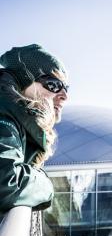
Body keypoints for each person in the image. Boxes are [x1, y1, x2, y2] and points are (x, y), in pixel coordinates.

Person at [0, 44, 68, 212]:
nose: (64, 95)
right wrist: (46, 186)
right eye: (53, 84)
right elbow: (6, 183)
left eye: (66, 88)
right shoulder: (4, 116)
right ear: (24, 81)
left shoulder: (18, 119)